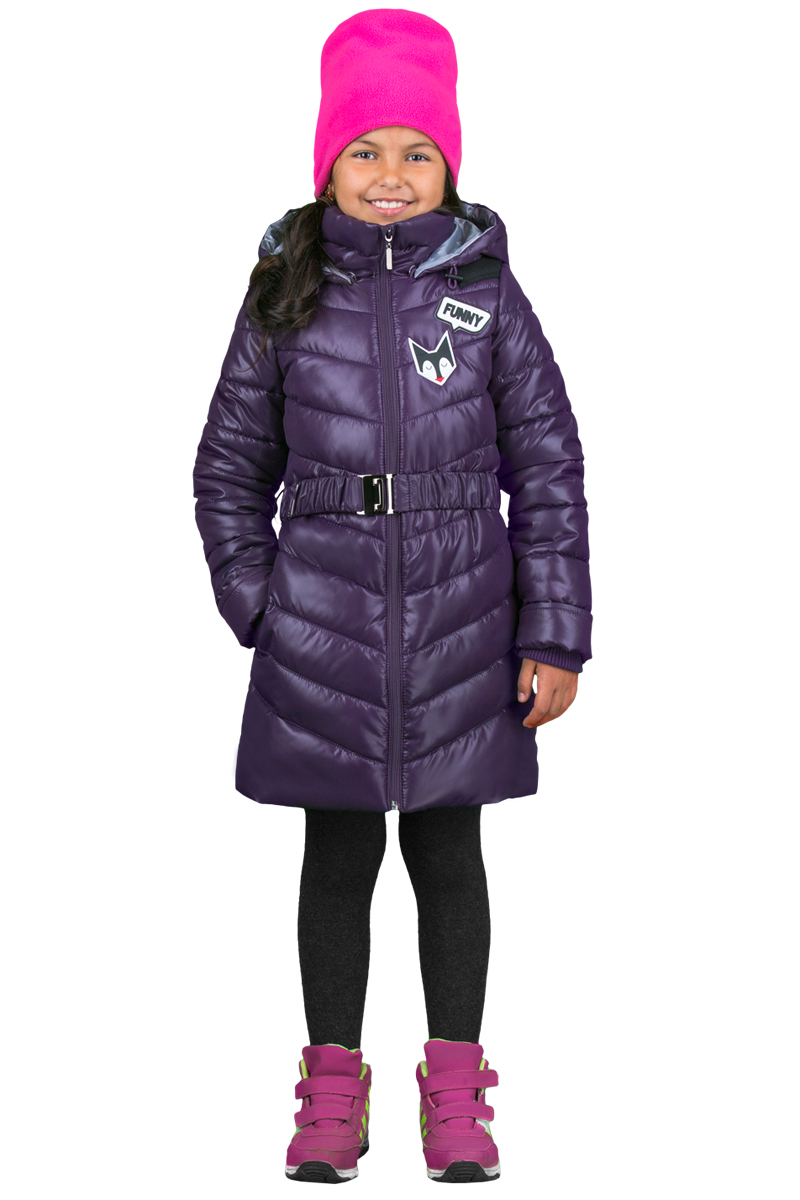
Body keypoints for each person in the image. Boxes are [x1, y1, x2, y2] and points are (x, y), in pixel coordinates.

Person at [192, 7, 592, 1185]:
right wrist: (262, 608)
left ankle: (455, 1087)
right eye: (363, 149)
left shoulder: (488, 297)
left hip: (465, 625)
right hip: (322, 630)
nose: (389, 174)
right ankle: (331, 1087)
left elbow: (548, 466)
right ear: (326, 163)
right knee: (335, 854)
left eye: (417, 152)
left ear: (449, 167)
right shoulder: (283, 293)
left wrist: (553, 631)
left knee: (448, 850)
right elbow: (226, 469)